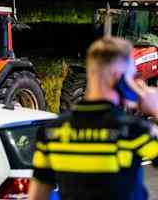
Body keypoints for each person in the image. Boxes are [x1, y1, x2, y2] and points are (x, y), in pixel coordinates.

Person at [29, 37, 158, 200]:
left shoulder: (50, 132)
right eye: (132, 76)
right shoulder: (133, 131)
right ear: (119, 77)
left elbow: (36, 197)